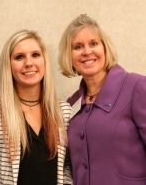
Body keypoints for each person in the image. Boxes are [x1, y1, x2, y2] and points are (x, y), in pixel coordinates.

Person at [58, 14, 146, 185]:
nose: (87, 52)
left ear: (105, 48)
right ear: (69, 56)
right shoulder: (71, 104)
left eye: (93, 43)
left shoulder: (137, 87)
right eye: (77, 47)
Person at [0, 29, 73, 185]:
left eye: (35, 55)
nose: (29, 63)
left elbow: (68, 166)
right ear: (8, 64)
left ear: (44, 60)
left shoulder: (63, 111)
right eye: (19, 57)